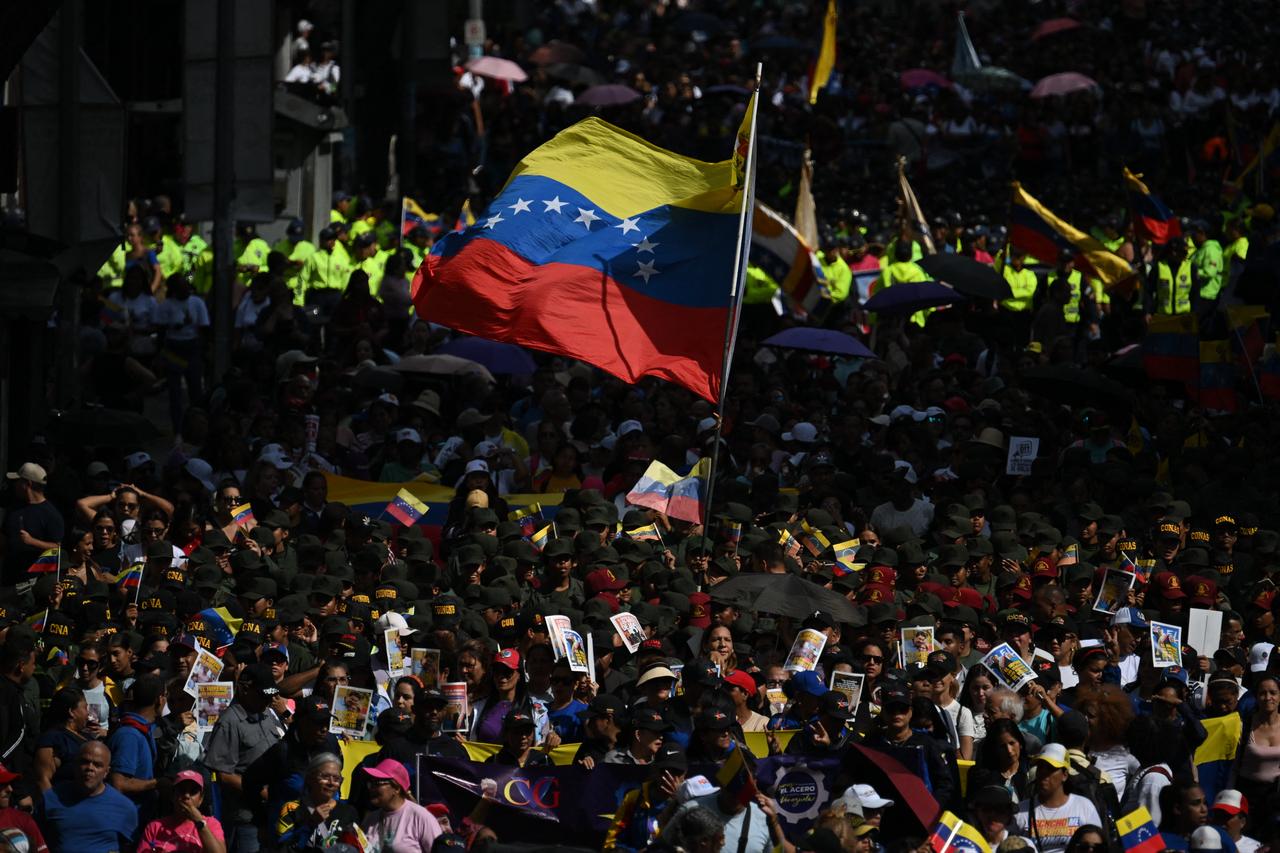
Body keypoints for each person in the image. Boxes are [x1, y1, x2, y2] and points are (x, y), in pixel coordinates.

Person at [203, 664, 285, 853]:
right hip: (247, 819)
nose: (268, 701)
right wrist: (262, 792)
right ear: (245, 688)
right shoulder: (229, 722)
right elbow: (224, 775)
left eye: (269, 695)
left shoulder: (265, 712)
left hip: (273, 814)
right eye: (263, 695)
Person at [39, 741, 138, 853]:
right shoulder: (51, 798)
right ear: (75, 765)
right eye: (84, 762)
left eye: (97, 765)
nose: (90, 768)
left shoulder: (125, 808)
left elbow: (129, 848)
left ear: (106, 772)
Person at [1013, 744, 1102, 853]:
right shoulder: (1020, 811)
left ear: (1064, 775)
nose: (1043, 773)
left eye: (1050, 768)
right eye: (1040, 767)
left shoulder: (1084, 807)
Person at [274, 753, 360, 851]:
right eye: (325, 777)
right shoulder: (292, 809)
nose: (331, 783)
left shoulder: (348, 812)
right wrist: (311, 823)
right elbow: (283, 849)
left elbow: (354, 847)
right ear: (310, 778)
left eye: (336, 778)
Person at [362, 758, 442, 853]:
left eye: (377, 783)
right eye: (371, 783)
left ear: (396, 788)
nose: (371, 788)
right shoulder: (370, 819)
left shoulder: (421, 817)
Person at [3, 463, 64, 585]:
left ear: (27, 484)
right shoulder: (14, 508)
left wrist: (31, 541)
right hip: (8, 578)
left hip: (33, 581)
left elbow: (57, 549)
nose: (14, 485)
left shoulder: (51, 514)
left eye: (18, 481)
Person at [139, 769, 227, 853]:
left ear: (201, 799)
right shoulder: (155, 828)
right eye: (182, 790)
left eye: (193, 792)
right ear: (173, 796)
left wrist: (199, 822)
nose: (187, 796)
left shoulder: (211, 824)